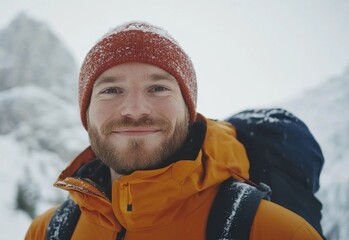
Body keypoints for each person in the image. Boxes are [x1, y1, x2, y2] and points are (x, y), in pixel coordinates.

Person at [25, 21, 322, 239]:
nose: (134, 109)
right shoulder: (48, 232)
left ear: (189, 111)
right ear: (86, 113)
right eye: (111, 90)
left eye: (158, 88)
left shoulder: (276, 232)